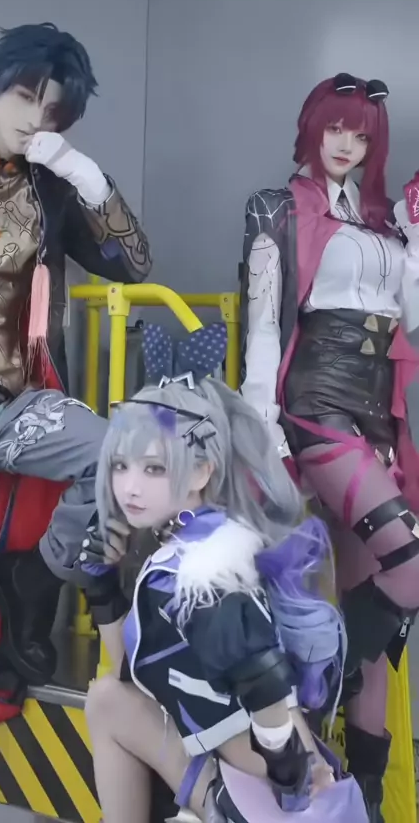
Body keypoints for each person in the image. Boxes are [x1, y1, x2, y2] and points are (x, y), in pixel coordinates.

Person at [0, 22, 151, 717]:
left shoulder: (51, 187)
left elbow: (133, 264)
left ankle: (33, 577)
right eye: (27, 97)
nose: (36, 118)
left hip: (11, 402)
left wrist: (88, 178)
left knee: (114, 457)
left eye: (53, 109)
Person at [83, 322, 368, 823]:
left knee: (107, 701)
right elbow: (133, 675)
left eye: (153, 468)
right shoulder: (200, 540)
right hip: (240, 781)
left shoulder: (201, 568)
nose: (129, 487)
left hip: (261, 802)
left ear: (201, 472)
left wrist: (290, 769)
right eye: (120, 466)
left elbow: (263, 679)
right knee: (106, 699)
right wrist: (102, 587)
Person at [239, 73, 419, 821]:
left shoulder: (386, 225)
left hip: (376, 419)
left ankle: (359, 799)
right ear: (313, 127)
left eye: (361, 134)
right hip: (315, 408)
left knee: (374, 624)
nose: (346, 143)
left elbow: (411, 319)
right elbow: (264, 324)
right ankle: (322, 678)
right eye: (336, 127)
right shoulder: (277, 207)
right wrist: (264, 430)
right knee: (409, 568)